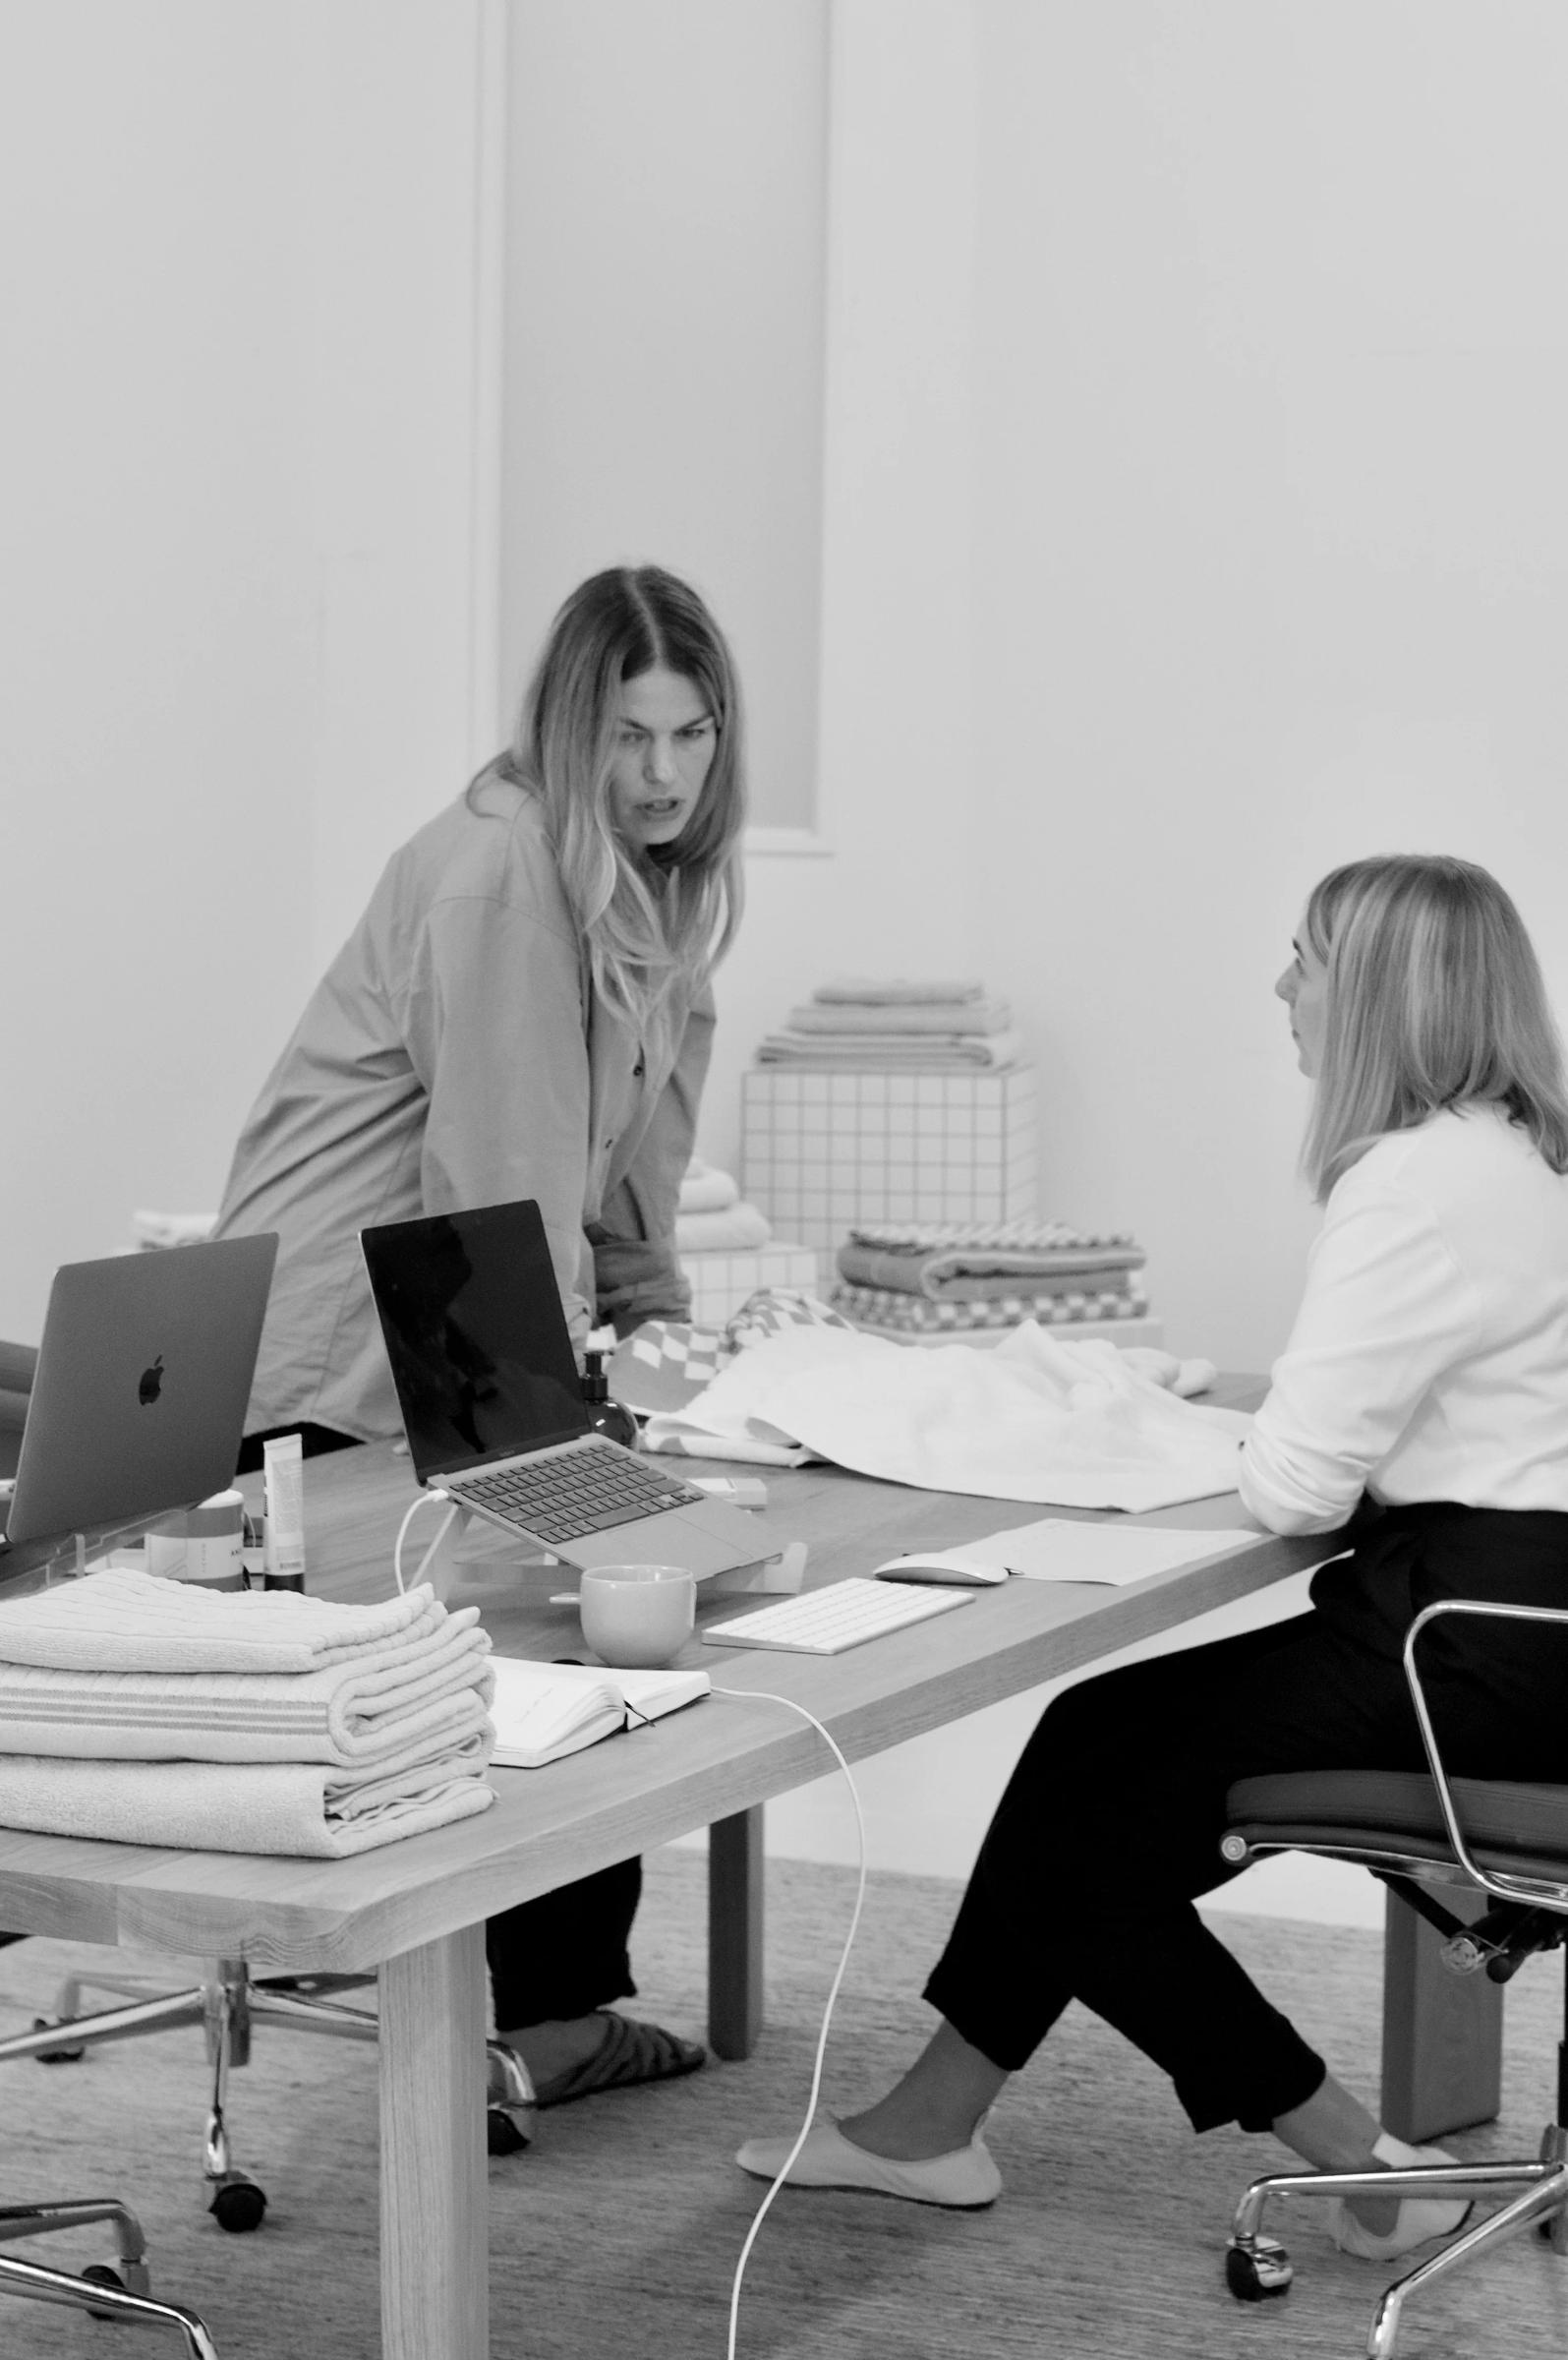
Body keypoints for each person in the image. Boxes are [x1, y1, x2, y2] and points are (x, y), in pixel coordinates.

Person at [737, 853, 1568, 2260]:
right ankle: (927, 2126)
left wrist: (1199, 1436)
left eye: (1304, 957)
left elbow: (1299, 1482)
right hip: (1527, 1624)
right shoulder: (1528, 1155)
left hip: (1465, 1646)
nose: (1283, 986)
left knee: (1088, 1802)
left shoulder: (1411, 1183)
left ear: (1369, 992)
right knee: (1100, 1755)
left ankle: (1347, 2155)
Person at [214, 563, 746, 2105]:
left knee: (635, 1577)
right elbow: (499, 1191)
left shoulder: (654, 891)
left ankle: (560, 2001)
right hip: (350, 1348)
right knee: (574, 1608)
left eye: (692, 736)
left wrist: (666, 1357)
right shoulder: (506, 873)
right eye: (630, 739)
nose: (660, 775)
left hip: (457, 1316)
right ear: (570, 735)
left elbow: (632, 1180)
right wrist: (583, 1422)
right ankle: (546, 2017)